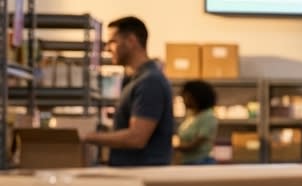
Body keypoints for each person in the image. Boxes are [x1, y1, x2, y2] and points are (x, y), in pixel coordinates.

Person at [81, 16, 175, 167]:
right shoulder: (134, 80)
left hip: (143, 177)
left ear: (131, 41)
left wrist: (89, 137)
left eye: (113, 41)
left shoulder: (149, 82)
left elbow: (136, 138)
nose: (107, 48)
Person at [175, 80, 219, 165]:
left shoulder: (208, 116)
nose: (183, 100)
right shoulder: (191, 115)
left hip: (200, 163)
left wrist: (173, 147)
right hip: (187, 162)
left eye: (186, 96)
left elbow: (195, 144)